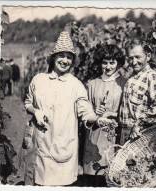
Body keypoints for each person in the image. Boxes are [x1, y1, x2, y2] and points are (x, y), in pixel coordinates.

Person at [23, 31, 100, 186]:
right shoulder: (38, 80)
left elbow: (85, 111)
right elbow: (28, 102)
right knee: (38, 182)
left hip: (64, 148)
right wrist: (35, 111)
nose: (65, 60)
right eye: (61, 56)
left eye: (69, 57)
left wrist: (97, 119)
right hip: (40, 146)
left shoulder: (76, 85)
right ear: (53, 58)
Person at [82, 44, 126, 187]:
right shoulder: (93, 84)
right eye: (105, 62)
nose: (108, 67)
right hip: (95, 135)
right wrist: (95, 115)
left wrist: (111, 114)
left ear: (118, 63)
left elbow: (127, 111)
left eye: (112, 62)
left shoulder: (124, 83)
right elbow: (86, 111)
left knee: (111, 174)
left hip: (114, 135)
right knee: (93, 177)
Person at [119, 39, 156, 144]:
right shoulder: (131, 77)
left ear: (148, 56)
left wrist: (139, 124)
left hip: (138, 135)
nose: (133, 62)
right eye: (130, 58)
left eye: (138, 57)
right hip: (123, 133)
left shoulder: (151, 76)